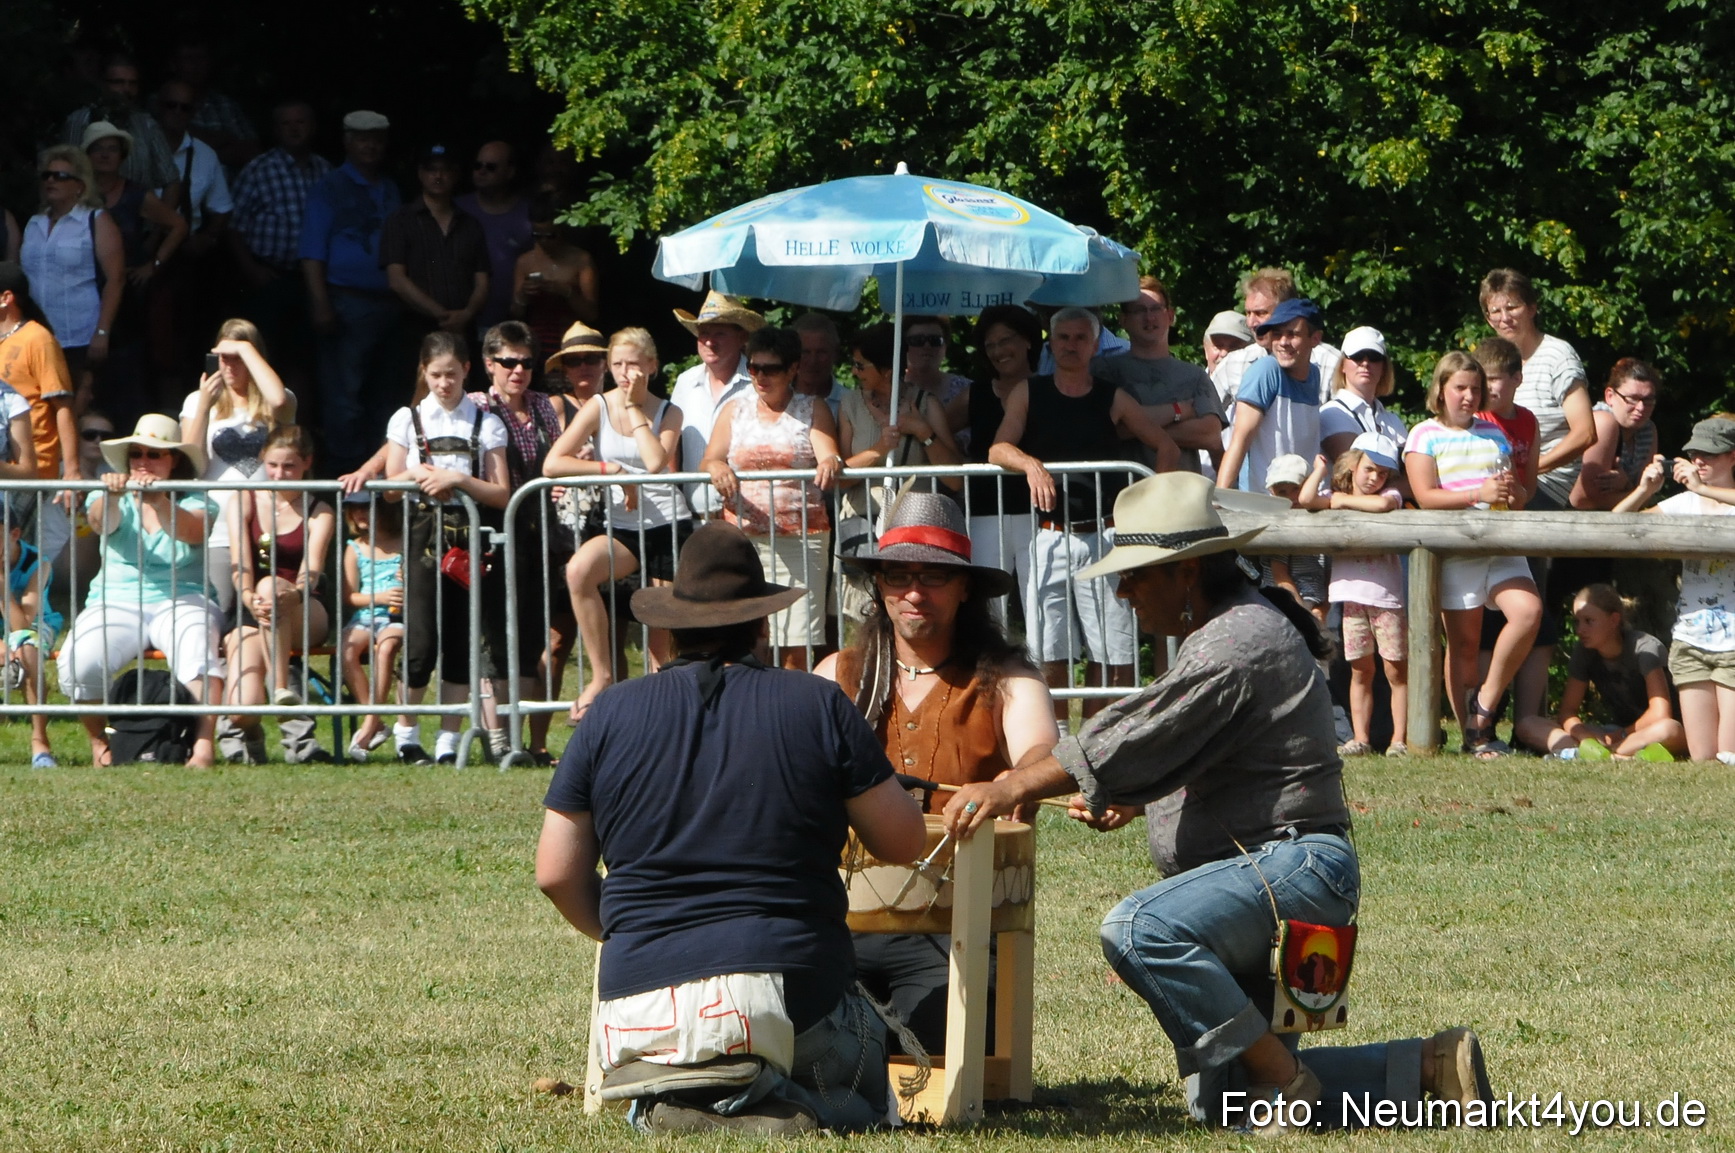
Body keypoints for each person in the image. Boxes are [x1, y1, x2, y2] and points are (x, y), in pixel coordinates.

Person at [940, 471, 1493, 1134]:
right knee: (1223, 1104)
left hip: (1293, 872)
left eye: (1138, 574)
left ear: (1188, 573)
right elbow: (1204, 749)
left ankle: (1284, 1076)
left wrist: (1007, 785)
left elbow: (1131, 735)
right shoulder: (1229, 630)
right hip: (1283, 877)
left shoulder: (1233, 642)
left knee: (1138, 928)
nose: (1123, 590)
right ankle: (1429, 1070)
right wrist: (1139, 801)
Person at [536, 520, 925, 1134]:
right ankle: (778, 1100)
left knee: (697, 1066)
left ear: (668, 628)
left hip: (639, 1002)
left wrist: (626, 932)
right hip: (792, 990)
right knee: (870, 1079)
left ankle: (699, 1101)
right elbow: (903, 842)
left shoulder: (607, 714)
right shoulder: (818, 703)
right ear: (763, 624)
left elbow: (555, 873)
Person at [814, 492, 1057, 1052]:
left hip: (960, 928)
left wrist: (1013, 781)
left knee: (935, 1045)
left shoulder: (1007, 678)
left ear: (966, 587)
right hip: (841, 919)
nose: (914, 592)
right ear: (878, 584)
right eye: (899, 576)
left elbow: (1041, 752)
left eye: (935, 577)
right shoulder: (838, 673)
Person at [989, 307, 1181, 715]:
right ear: (1051, 343)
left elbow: (1166, 446)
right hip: (1048, 535)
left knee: (1114, 646)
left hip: (1107, 535)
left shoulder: (1111, 397)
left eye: (1080, 338)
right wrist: (1029, 464)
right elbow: (997, 448)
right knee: (1047, 646)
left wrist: (1154, 508)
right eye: (1064, 338)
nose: (1071, 346)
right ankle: (1054, 738)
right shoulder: (1029, 392)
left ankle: (1100, 735)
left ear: (1095, 346)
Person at [58, 414, 224, 767]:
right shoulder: (107, 492)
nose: (143, 463)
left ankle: (203, 745)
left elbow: (192, 533)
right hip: (115, 599)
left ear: (173, 460)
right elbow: (101, 523)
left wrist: (160, 500)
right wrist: (112, 497)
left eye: (155, 454)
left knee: (197, 651)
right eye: (137, 454)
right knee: (80, 660)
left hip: (184, 596)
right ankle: (99, 743)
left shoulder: (198, 498)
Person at [545, 326, 689, 720]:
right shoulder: (597, 406)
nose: (626, 373)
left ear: (652, 366)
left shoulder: (668, 410)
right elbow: (553, 463)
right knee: (579, 572)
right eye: (618, 364)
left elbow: (658, 462)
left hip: (667, 526)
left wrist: (634, 408)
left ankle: (667, 722)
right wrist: (610, 469)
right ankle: (601, 674)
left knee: (661, 643)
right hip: (623, 528)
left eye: (634, 365)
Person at [382, 331, 510, 765]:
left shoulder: (486, 422)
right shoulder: (408, 419)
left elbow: (501, 492)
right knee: (420, 639)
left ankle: (448, 740)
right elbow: (390, 488)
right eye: (435, 375)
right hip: (423, 534)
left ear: (467, 371)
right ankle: (406, 731)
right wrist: (423, 474)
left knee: (460, 637)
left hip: (469, 537)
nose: (443, 384)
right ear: (424, 372)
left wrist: (457, 480)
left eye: (451, 374)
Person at [1404, 351, 1539, 756]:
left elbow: (1515, 493)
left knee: (1528, 611)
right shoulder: (1423, 435)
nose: (1468, 396)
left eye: (1475, 389)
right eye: (1460, 388)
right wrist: (1475, 494)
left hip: (1499, 545)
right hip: (1456, 552)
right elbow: (1425, 497)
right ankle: (1472, 735)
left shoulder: (1493, 432)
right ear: (1441, 389)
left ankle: (1485, 704)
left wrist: (1513, 494)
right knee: (1464, 646)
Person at [702, 325, 842, 669]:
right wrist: (715, 466)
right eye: (754, 367)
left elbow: (829, 454)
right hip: (744, 540)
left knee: (797, 644)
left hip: (801, 538)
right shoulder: (734, 409)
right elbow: (709, 457)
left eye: (771, 368)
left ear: (793, 369)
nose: (760, 376)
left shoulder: (813, 408)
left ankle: (791, 715)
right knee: (746, 639)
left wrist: (829, 461)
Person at [468, 320, 573, 759]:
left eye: (526, 363)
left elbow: (556, 463)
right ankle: (496, 738)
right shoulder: (474, 405)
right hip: (492, 534)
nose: (518, 371)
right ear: (489, 364)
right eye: (509, 362)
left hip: (539, 535)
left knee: (532, 635)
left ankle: (521, 742)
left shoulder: (545, 407)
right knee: (494, 636)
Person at [1613, 419, 1735, 762]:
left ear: (1732, 457)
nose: (1699, 462)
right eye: (1695, 454)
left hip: (1734, 646)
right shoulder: (1683, 504)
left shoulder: (1710, 497)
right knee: (1703, 759)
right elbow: (1614, 528)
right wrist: (1644, 490)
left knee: (1730, 756)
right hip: (1690, 642)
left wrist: (1703, 490)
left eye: (1709, 455)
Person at [300, 110, 403, 475]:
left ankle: (380, 477)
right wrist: (321, 304)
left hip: (390, 305)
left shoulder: (391, 188)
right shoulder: (328, 188)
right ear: (347, 141)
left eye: (377, 138)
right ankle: (346, 483)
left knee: (384, 398)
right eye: (362, 138)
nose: (370, 145)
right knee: (344, 400)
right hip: (345, 302)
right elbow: (312, 253)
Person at [223, 425, 335, 763]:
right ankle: (250, 735)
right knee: (242, 708)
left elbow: (312, 568)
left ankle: (286, 705)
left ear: (306, 464)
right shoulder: (243, 499)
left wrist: (295, 594)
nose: (279, 474)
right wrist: (249, 599)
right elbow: (239, 563)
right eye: (272, 465)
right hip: (253, 605)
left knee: (271, 586)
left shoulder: (319, 509)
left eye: (289, 466)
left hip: (304, 603)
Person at [179, 318, 297, 617]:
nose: (229, 366)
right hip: (216, 527)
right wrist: (205, 406)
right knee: (221, 610)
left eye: (239, 359)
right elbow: (192, 465)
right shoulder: (197, 401)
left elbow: (279, 399)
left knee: (266, 608)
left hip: (268, 525)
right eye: (223, 358)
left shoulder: (276, 402)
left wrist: (244, 348)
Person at [1300, 435, 1409, 756]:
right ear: (1354, 465)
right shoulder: (1335, 494)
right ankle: (1360, 737)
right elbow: (1306, 500)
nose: (1375, 479)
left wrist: (1339, 501)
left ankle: (1398, 739)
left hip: (1387, 597)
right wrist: (1320, 471)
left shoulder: (1387, 495)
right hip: (1351, 597)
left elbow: (1383, 504)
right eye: (1370, 469)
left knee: (1395, 670)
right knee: (1361, 670)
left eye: (1383, 473)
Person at [84, 119, 189, 422]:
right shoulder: (77, 193)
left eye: (112, 149)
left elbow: (178, 226)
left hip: (128, 294)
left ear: (122, 156)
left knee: (128, 369)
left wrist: (153, 265)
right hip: (85, 290)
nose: (105, 155)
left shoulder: (135, 194)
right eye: (98, 149)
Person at [835, 322, 961, 564]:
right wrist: (879, 449)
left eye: (861, 365)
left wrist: (923, 432)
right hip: (862, 522)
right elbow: (843, 477)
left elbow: (954, 480)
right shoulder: (850, 405)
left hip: (915, 524)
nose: (853, 371)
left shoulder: (926, 403)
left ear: (887, 371)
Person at [1513, 584, 1685, 761]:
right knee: (1527, 724)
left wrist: (1620, 735)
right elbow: (1567, 712)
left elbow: (1660, 713)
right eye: (1577, 621)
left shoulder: (1646, 649)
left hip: (1647, 732)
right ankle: (1606, 753)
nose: (1580, 630)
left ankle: (1598, 754)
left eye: (1588, 621)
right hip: (1615, 731)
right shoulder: (1584, 651)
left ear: (1614, 620)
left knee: (1668, 729)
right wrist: (1585, 736)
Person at [1480, 268, 1593, 512]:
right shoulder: (1489, 359)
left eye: (1512, 307)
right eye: (1496, 311)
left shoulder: (1557, 355)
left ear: (1532, 308)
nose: (1504, 318)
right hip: (1497, 476)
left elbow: (1585, 433)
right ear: (1488, 319)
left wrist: (1532, 468)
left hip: (1547, 482)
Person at [1093, 276, 1227, 475]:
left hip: (1181, 496)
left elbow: (1209, 435)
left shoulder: (1195, 375)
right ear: (1124, 320)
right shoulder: (1105, 371)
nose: (1149, 318)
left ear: (1170, 316)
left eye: (1156, 309)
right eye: (1139, 310)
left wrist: (1135, 428)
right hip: (1123, 496)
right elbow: (1102, 429)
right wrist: (1177, 411)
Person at [21, 146, 124, 399]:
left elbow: (116, 279)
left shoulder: (95, 220)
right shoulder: (34, 223)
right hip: (37, 335)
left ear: (80, 185)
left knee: (76, 403)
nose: (52, 181)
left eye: (60, 176)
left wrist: (102, 332)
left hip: (78, 335)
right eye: (47, 176)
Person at [0, 262, 81, 563]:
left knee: (12, 559)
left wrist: (71, 471)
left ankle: (21, 610)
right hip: (2, 466)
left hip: (30, 468)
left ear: (6, 297)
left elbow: (62, 406)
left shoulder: (38, 338)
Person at [383, 144, 489, 367]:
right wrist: (442, 316)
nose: (438, 176)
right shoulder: (401, 220)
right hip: (416, 328)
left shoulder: (471, 224)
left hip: (463, 329)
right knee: (415, 394)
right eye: (432, 169)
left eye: (445, 170)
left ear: (456, 174)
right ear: (421, 174)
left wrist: (466, 314)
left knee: (463, 393)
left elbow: (482, 279)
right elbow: (396, 279)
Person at [963, 304, 1041, 595]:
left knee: (1040, 604)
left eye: (1006, 340)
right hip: (985, 512)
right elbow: (938, 426)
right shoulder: (975, 394)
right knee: (986, 605)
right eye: (990, 345)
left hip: (1039, 512)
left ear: (1028, 340)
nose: (998, 350)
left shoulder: (1050, 389)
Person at [1217, 298, 1326, 491]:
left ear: (1315, 338)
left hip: (1300, 504)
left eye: (1292, 334)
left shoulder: (1314, 375)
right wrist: (1220, 500)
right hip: (1263, 504)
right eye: (1276, 334)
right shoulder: (1266, 370)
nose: (1283, 342)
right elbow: (1239, 440)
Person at [668, 291, 757, 514]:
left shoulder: (760, 382)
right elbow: (672, 445)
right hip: (696, 515)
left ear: (742, 337)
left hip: (751, 516)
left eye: (720, 333)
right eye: (704, 333)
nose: (709, 341)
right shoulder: (685, 382)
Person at [1210, 267, 1342, 408]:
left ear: (1287, 312)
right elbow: (1206, 419)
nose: (1251, 323)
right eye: (1248, 313)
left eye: (1260, 313)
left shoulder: (1330, 364)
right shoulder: (1234, 364)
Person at [339, 490, 408, 761]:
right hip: (366, 614)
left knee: (386, 647)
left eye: (366, 507)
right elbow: (350, 596)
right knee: (348, 649)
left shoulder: (403, 543)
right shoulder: (354, 547)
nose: (359, 514)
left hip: (398, 616)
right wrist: (378, 597)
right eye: (354, 508)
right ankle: (375, 720)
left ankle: (368, 726)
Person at [61, 54, 182, 201]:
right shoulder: (79, 121)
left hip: (137, 218)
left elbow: (171, 181)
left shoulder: (147, 125)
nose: (126, 89)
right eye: (118, 82)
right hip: (89, 216)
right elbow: (66, 175)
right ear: (103, 84)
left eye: (132, 83)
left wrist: (163, 220)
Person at [1, 492, 64, 769]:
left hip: (35, 622)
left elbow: (23, 624)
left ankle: (40, 742)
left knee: (27, 647)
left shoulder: (38, 563)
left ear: (14, 534)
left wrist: (2, 582)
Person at [509, 192, 598, 363]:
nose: (543, 241)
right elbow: (515, 313)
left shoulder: (581, 259)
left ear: (563, 230)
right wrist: (522, 295)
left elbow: (591, 313)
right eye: (537, 236)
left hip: (572, 339)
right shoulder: (525, 261)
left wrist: (567, 292)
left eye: (550, 236)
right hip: (536, 341)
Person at [457, 141, 536, 334]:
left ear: (510, 172)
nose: (481, 171)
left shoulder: (529, 214)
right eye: (478, 166)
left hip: (513, 324)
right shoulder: (456, 209)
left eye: (491, 167)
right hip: (461, 321)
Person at [1571, 358, 1661, 511]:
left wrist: (1628, 485)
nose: (1640, 408)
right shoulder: (1602, 422)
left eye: (1648, 400)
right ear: (1610, 396)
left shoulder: (1647, 430)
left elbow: (1646, 494)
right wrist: (1639, 493)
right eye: (1632, 399)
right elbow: (1582, 500)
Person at [1317, 326, 1407, 470]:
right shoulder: (1332, 413)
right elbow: (1358, 474)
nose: (1365, 363)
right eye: (1357, 356)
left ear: (1384, 367)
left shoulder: (1392, 420)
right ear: (1342, 365)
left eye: (1374, 357)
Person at [164, 38, 258, 170]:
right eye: (188, 58)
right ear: (173, 64)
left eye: (201, 58)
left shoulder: (227, 105)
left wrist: (198, 147)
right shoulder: (162, 101)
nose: (195, 64)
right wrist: (225, 138)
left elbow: (251, 152)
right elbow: (169, 140)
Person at [1260, 455, 1327, 623]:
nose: (1291, 496)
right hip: (1284, 607)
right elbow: (1280, 576)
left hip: (1314, 606)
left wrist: (1323, 609)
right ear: (1272, 493)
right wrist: (1301, 614)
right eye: (1282, 491)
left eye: (1296, 488)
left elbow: (1328, 575)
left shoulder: (1321, 522)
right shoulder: (1279, 525)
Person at [902, 315, 971, 444]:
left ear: (945, 346)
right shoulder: (891, 391)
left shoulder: (968, 390)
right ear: (903, 346)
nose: (927, 346)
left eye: (935, 340)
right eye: (918, 340)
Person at [541, 320, 609, 408]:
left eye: (591, 359)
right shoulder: (556, 407)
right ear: (565, 369)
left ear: (606, 364)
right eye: (573, 361)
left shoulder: (619, 405)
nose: (583, 366)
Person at [790, 312, 845, 415]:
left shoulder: (851, 404)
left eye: (821, 352)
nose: (812, 361)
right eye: (805, 352)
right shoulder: (776, 397)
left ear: (835, 354)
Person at [1201, 310, 1251, 374]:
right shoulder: (1191, 383)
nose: (1224, 354)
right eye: (1218, 346)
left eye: (1234, 347)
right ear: (1206, 350)